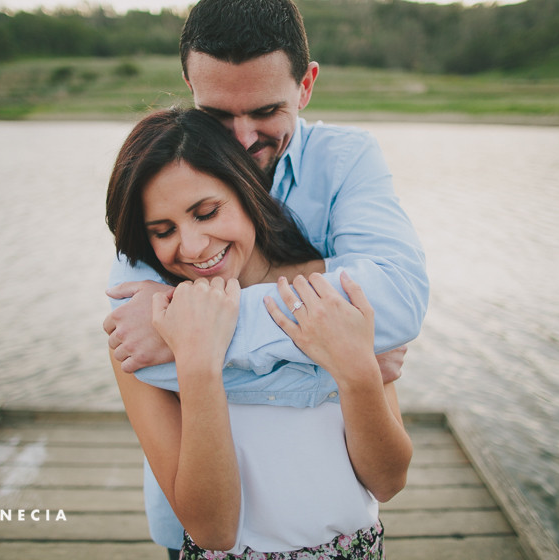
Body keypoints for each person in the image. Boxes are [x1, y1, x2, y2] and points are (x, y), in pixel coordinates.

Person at [103, 0, 429, 554]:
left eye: (265, 110)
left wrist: (201, 336)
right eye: (218, 114)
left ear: (306, 86)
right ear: (188, 84)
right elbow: (147, 361)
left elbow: (396, 298)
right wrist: (342, 358)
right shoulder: (160, 179)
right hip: (208, 526)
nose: (240, 138)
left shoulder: (346, 163)